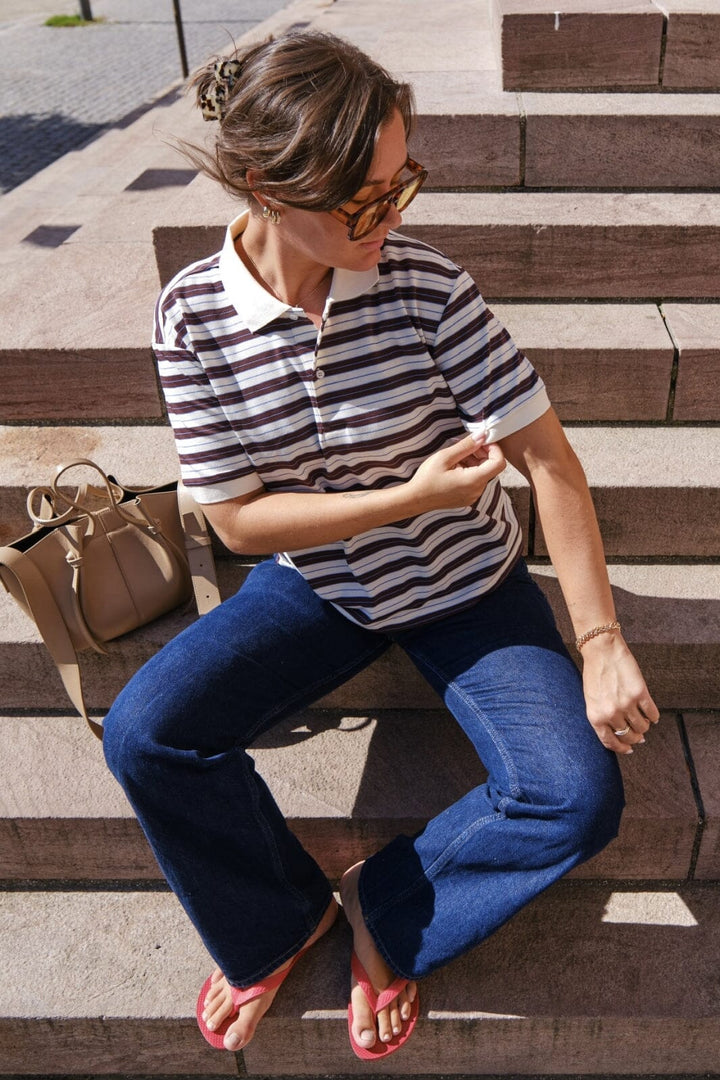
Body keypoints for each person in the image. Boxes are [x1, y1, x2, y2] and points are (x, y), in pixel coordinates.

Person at [102, 28, 659, 1062]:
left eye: (403, 182)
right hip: (323, 590)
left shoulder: (426, 288)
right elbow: (234, 520)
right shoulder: (192, 318)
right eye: (364, 198)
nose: (393, 215)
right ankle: (279, 917)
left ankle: (384, 900)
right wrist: (399, 499)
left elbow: (552, 464)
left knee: (578, 796)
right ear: (268, 185)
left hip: (469, 584)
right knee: (144, 735)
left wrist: (601, 640)